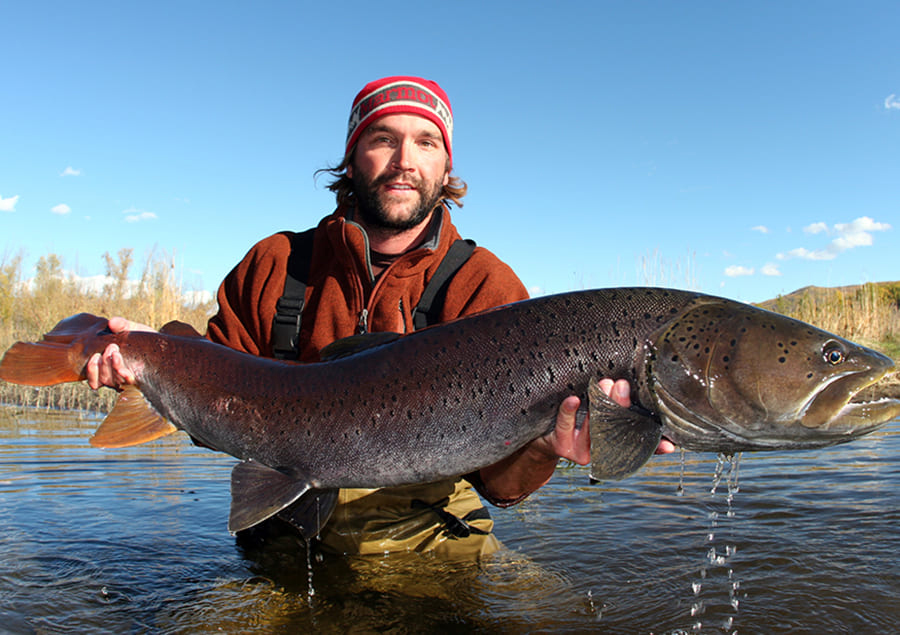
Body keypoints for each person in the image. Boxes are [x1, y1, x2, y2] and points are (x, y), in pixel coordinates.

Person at [87, 76, 674, 558]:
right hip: (283, 539)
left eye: (426, 142)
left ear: (446, 167)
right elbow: (213, 391)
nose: (404, 161)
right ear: (351, 156)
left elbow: (500, 488)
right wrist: (148, 361)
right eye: (383, 139)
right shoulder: (276, 264)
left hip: (432, 543)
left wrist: (548, 447)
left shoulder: (485, 285)